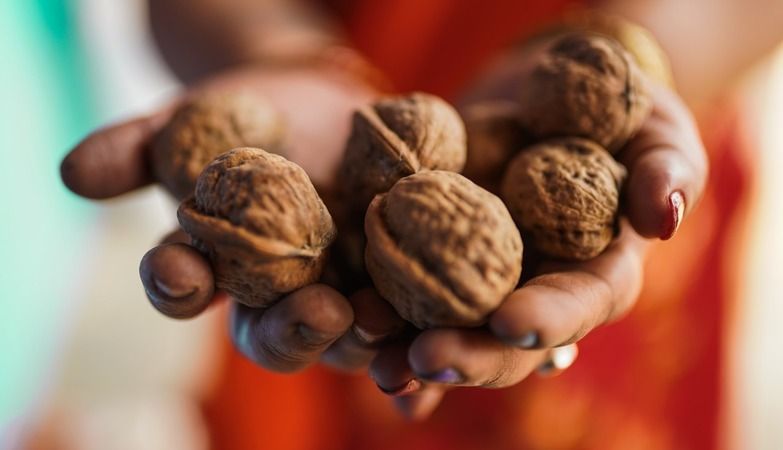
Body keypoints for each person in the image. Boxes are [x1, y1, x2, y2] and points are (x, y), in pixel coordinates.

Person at [60, 0, 783, 448]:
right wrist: (272, 49)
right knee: (320, 338)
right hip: (325, 140)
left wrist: (636, 53)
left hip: (619, 128)